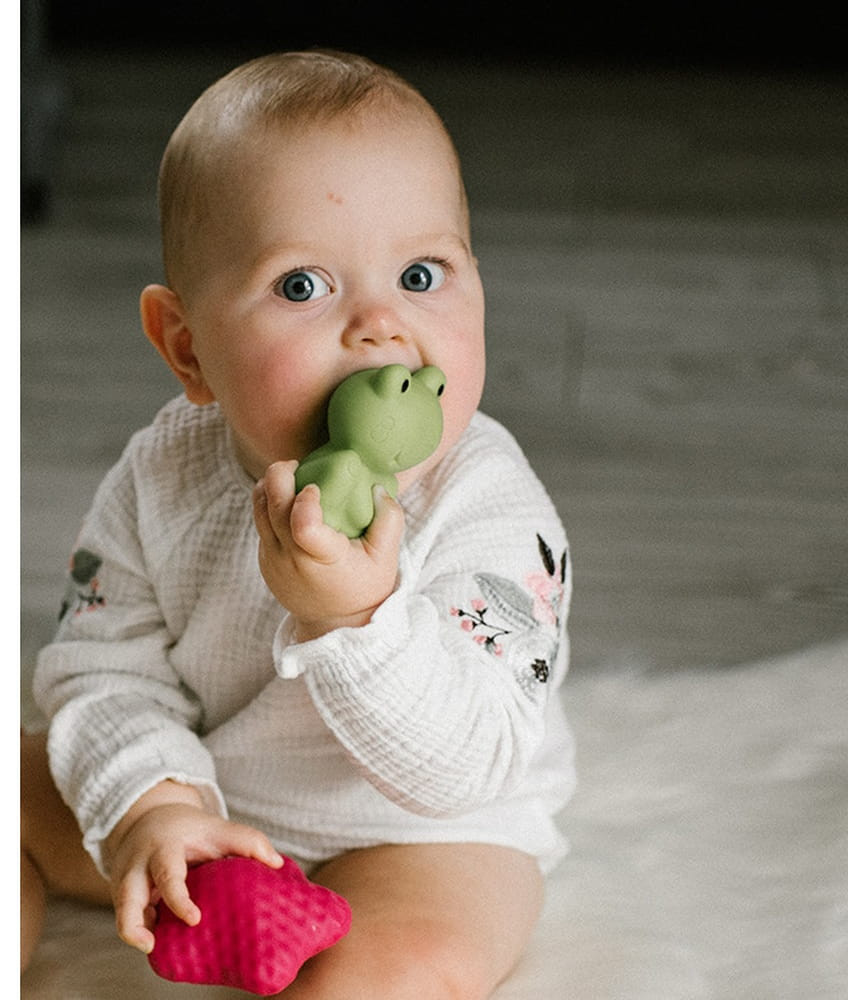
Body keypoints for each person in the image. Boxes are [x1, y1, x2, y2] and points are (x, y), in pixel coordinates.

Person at [21, 50, 574, 998]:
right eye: (303, 287)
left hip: (414, 836)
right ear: (187, 348)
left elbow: (469, 765)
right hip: (202, 793)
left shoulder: (492, 507)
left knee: (404, 963)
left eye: (421, 273)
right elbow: (102, 666)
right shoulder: (164, 473)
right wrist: (155, 805)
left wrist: (353, 619)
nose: (380, 327)